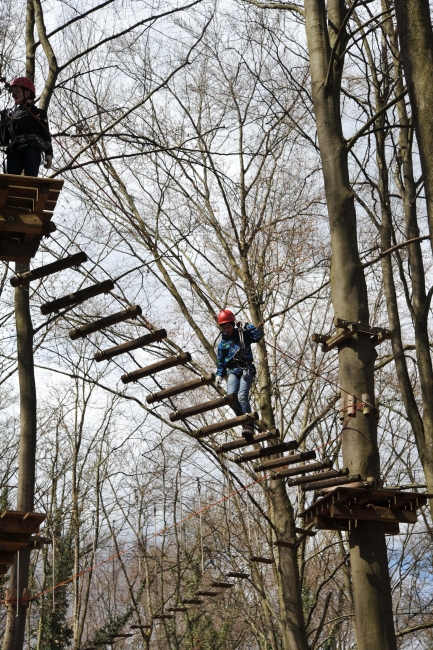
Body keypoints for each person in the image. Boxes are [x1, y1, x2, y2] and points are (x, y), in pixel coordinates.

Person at [215, 309, 263, 434]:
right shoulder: (222, 344)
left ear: (233, 324)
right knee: (230, 398)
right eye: (224, 328)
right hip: (232, 371)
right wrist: (219, 375)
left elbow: (258, 336)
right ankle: (244, 420)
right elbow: (221, 363)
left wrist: (248, 326)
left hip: (246, 368)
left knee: (242, 396)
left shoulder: (243, 334)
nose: (227, 330)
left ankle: (248, 425)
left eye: (229, 327)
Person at [0, 77, 53, 176]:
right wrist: (3, 123)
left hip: (31, 147)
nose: (14, 95)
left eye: (17, 92)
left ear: (27, 93)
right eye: (13, 93)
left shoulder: (38, 113)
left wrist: (49, 154)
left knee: (31, 177)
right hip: (14, 149)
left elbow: (46, 135)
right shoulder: (11, 115)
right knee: (11, 178)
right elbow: (4, 139)